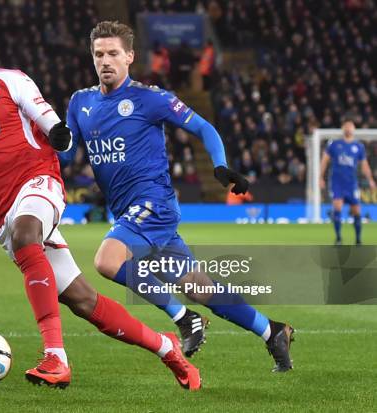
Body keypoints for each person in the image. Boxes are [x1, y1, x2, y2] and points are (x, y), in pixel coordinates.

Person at [0, 21, 201, 390]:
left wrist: (57, 133)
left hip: (38, 182)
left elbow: (47, 119)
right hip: (1, 214)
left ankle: (55, 358)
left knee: (26, 231)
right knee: (82, 300)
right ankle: (167, 348)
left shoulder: (8, 81)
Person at [60, 21, 294, 372]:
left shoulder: (150, 98)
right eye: (98, 54)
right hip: (129, 212)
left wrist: (221, 166)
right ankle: (271, 331)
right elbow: (64, 156)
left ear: (130, 57)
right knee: (199, 287)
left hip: (154, 205)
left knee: (106, 261)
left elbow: (204, 127)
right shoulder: (81, 103)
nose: (105, 61)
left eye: (112, 54)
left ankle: (184, 319)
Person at [319, 119, 376, 245]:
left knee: (356, 211)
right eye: (346, 126)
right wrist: (320, 177)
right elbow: (324, 161)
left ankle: (358, 239)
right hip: (337, 183)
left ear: (354, 129)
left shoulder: (358, 147)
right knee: (337, 208)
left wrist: (371, 180)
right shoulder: (334, 145)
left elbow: (364, 165)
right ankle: (338, 238)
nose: (348, 128)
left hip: (351, 183)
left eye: (350, 126)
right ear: (342, 128)